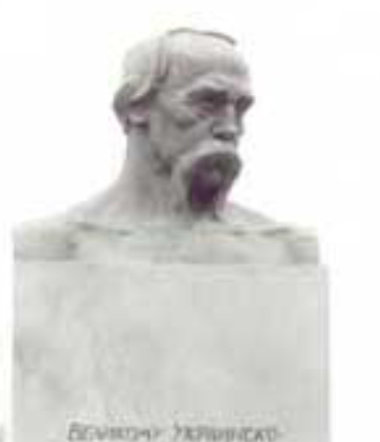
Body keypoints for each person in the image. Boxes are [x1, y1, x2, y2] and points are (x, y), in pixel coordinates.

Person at [17, 29, 317, 266]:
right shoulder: (55, 246)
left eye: (240, 108)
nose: (231, 127)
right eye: (207, 102)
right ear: (134, 107)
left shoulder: (283, 250)